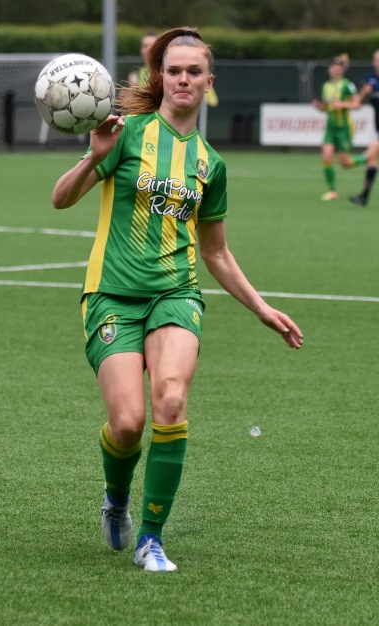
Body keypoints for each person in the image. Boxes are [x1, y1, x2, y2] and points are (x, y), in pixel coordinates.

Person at [51, 27, 303, 573]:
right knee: (127, 423)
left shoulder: (211, 163)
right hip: (112, 295)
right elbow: (61, 199)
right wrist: (93, 157)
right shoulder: (125, 132)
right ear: (160, 77)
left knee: (170, 400)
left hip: (177, 294)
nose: (184, 78)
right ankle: (115, 497)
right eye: (174, 70)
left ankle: (151, 537)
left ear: (209, 82)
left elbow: (216, 252)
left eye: (194, 71)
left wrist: (262, 308)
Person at [312, 54, 366, 201]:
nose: (336, 69)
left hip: (344, 128)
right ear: (329, 69)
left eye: (339, 66)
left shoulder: (347, 85)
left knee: (345, 163)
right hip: (330, 127)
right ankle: (333, 191)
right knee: (327, 156)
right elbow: (325, 108)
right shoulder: (326, 86)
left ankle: (367, 158)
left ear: (342, 70)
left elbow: (357, 104)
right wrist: (319, 107)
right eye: (333, 66)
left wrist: (342, 104)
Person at [350, 49, 379, 206]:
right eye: (377, 59)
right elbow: (357, 103)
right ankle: (364, 196)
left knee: (372, 150)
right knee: (373, 160)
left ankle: (358, 159)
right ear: (374, 62)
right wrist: (363, 93)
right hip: (378, 127)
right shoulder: (369, 80)